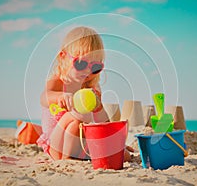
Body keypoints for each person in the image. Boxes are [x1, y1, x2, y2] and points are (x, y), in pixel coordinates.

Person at [38, 26, 132, 160]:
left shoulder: (92, 88)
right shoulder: (58, 82)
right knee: (77, 117)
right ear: (63, 57)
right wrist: (60, 96)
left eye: (95, 67)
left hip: (82, 142)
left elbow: (104, 123)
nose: (87, 71)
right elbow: (44, 97)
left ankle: (79, 156)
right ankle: (67, 159)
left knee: (124, 156)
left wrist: (99, 109)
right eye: (81, 64)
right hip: (57, 146)